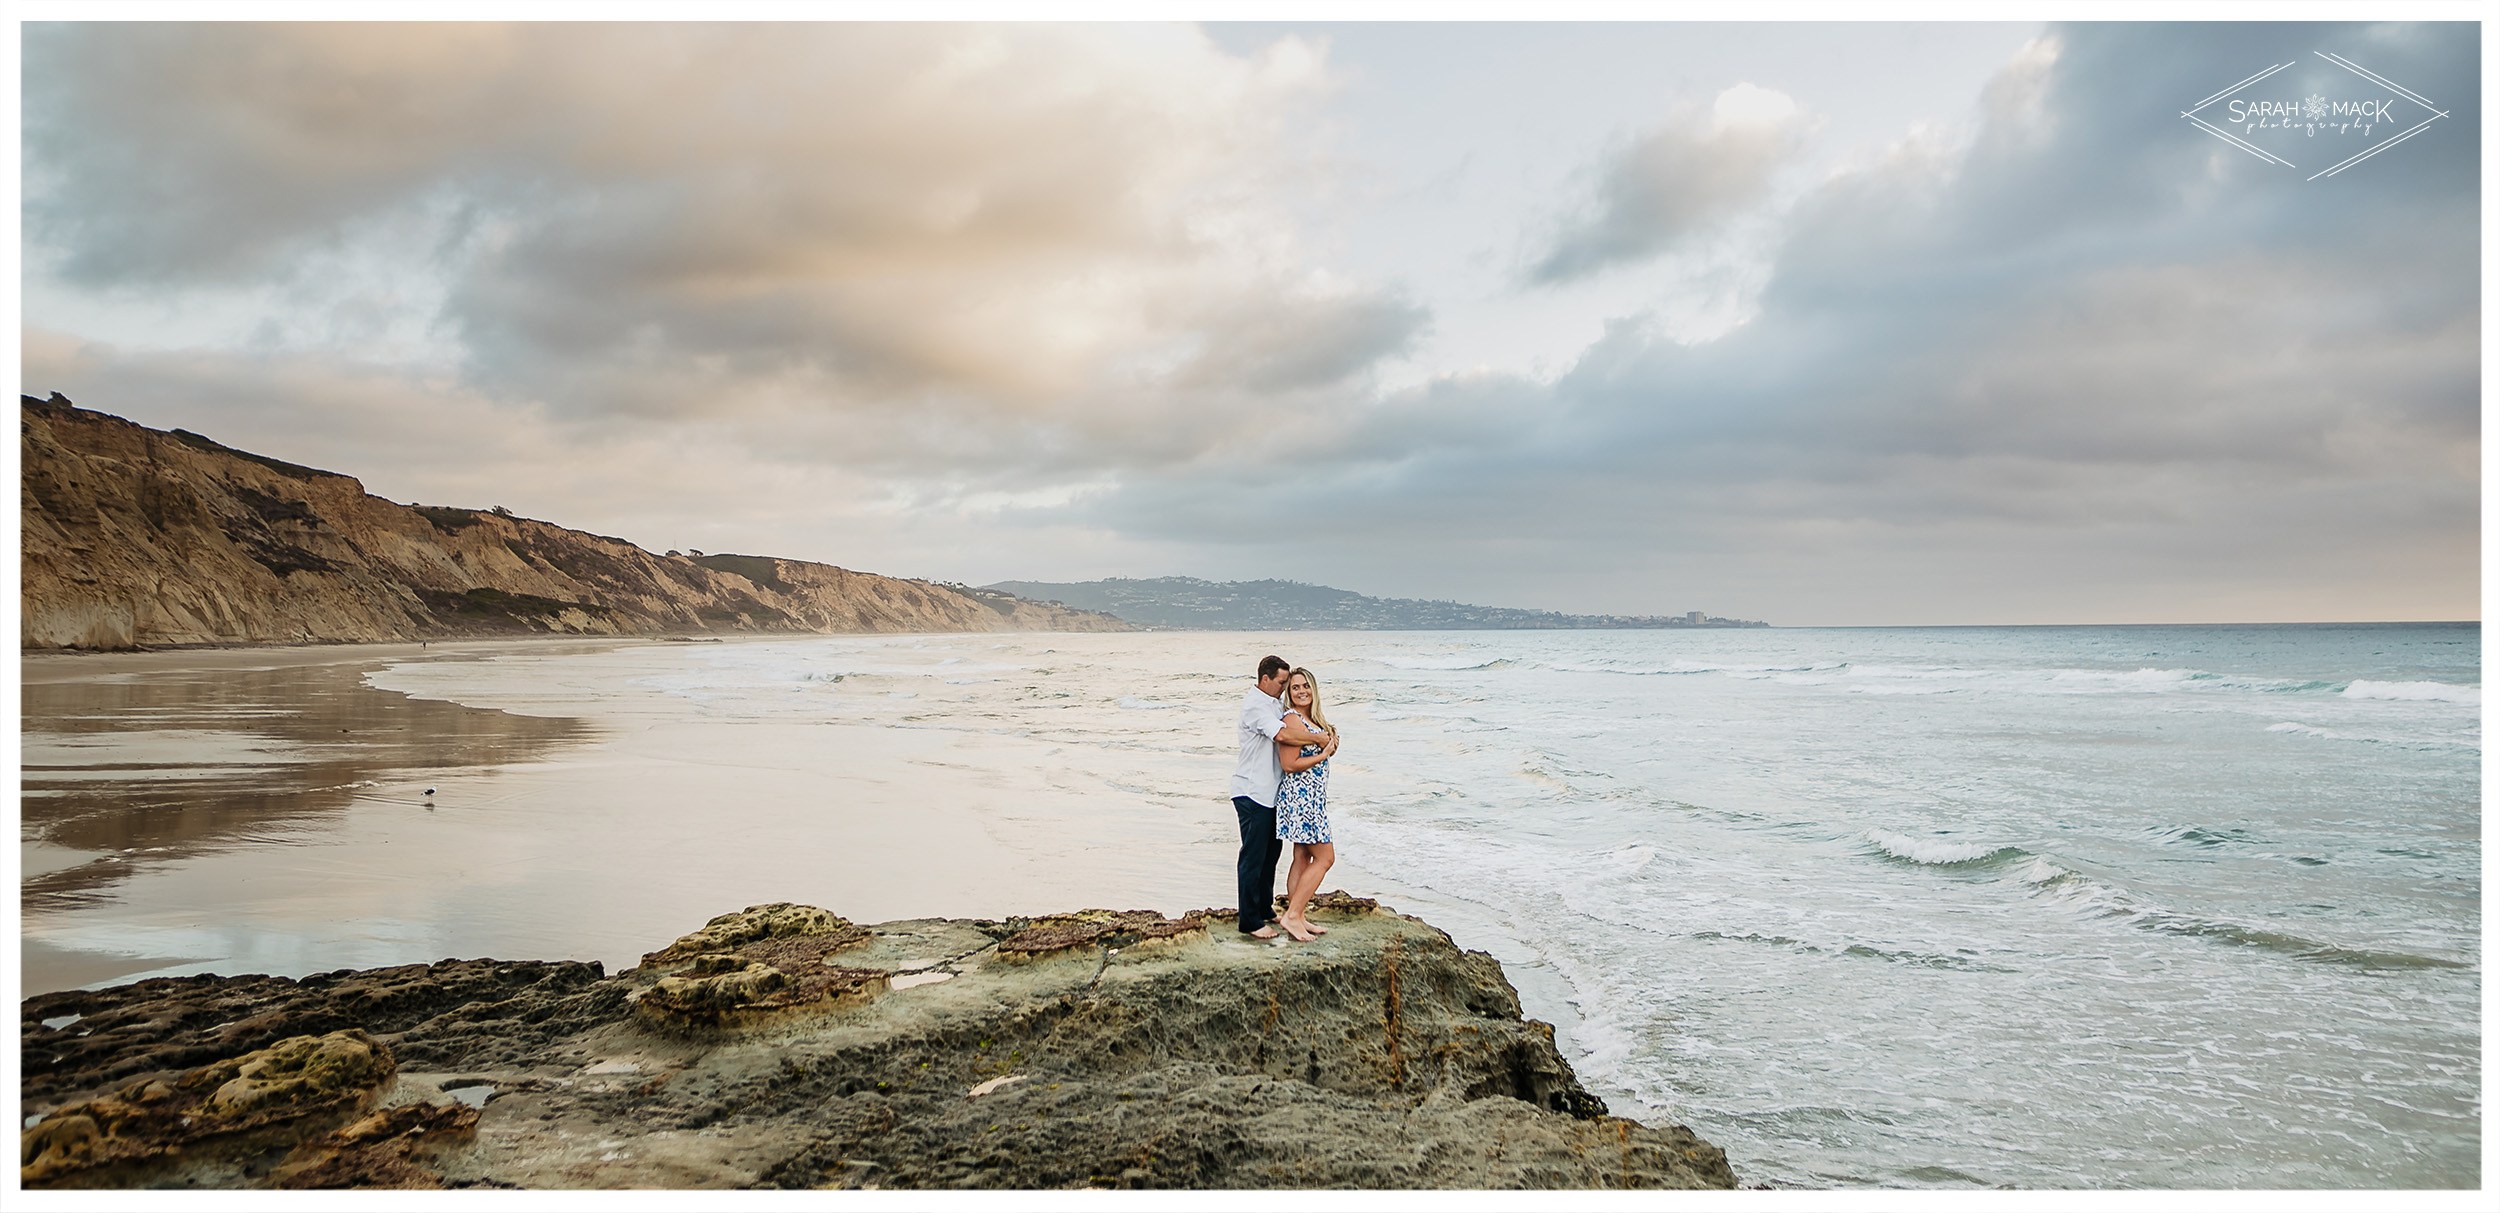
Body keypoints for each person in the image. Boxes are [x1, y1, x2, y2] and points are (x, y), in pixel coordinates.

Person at [1233, 655, 1333, 939]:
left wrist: (1323, 735)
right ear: (1265, 679)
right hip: (1252, 791)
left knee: (1271, 855)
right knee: (1253, 857)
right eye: (1283, 683)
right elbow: (1282, 735)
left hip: (1272, 793)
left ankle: (1266, 909)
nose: (1286, 687)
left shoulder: (1275, 703)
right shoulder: (1256, 707)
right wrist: (1319, 740)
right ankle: (1250, 921)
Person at [1273, 667, 1339, 943]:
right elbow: (1289, 765)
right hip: (1302, 799)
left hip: (1312, 798)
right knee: (1325, 858)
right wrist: (1323, 754)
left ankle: (1296, 915)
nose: (1301, 691)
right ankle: (1292, 915)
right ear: (1289, 692)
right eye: (1295, 687)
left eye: (1305, 686)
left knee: (1302, 856)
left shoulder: (1312, 720)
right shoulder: (1293, 719)